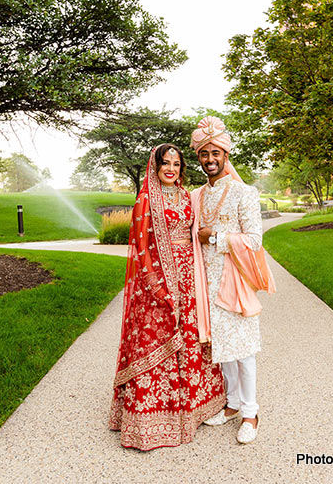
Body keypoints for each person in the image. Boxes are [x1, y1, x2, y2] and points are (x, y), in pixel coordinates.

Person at [109, 144, 225, 450]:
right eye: (165, 163)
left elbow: (194, 233)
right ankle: (148, 420)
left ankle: (192, 410)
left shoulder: (187, 195)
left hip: (188, 276)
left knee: (190, 339)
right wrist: (156, 284)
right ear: (156, 166)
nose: (171, 168)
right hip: (158, 280)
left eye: (176, 163)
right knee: (155, 338)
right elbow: (141, 245)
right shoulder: (147, 198)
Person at [189, 116, 276, 444]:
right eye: (203, 155)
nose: (209, 160)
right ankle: (233, 404)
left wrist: (215, 237)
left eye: (215, 154)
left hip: (233, 281)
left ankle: (251, 412)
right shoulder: (199, 195)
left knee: (244, 349)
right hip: (205, 282)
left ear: (226, 155)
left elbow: (254, 240)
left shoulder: (244, 192)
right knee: (220, 346)